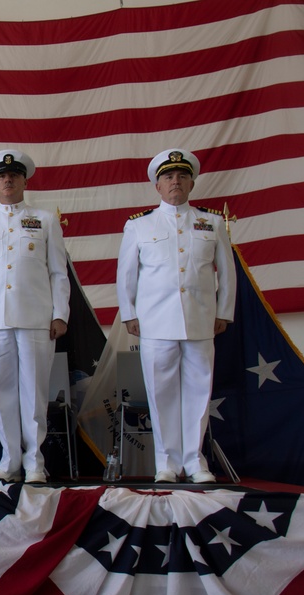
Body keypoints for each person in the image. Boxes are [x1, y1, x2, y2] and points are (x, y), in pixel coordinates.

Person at [116, 149, 235, 484]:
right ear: (158, 185)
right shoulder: (140, 225)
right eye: (168, 177)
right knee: (161, 392)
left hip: (200, 320)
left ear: (192, 182)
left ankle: (195, 461)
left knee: (198, 392)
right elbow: (127, 274)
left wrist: (224, 311)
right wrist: (129, 313)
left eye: (182, 176)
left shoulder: (211, 222)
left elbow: (227, 274)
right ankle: (166, 463)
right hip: (156, 321)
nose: (175, 182)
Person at [0, 149, 69, 484]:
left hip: (37, 317)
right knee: (0, 389)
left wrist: (60, 313)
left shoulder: (45, 219)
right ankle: (9, 460)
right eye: (1, 176)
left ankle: (34, 462)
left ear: (25, 180)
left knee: (34, 391)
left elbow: (58, 272)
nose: (8, 180)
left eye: (14, 175)